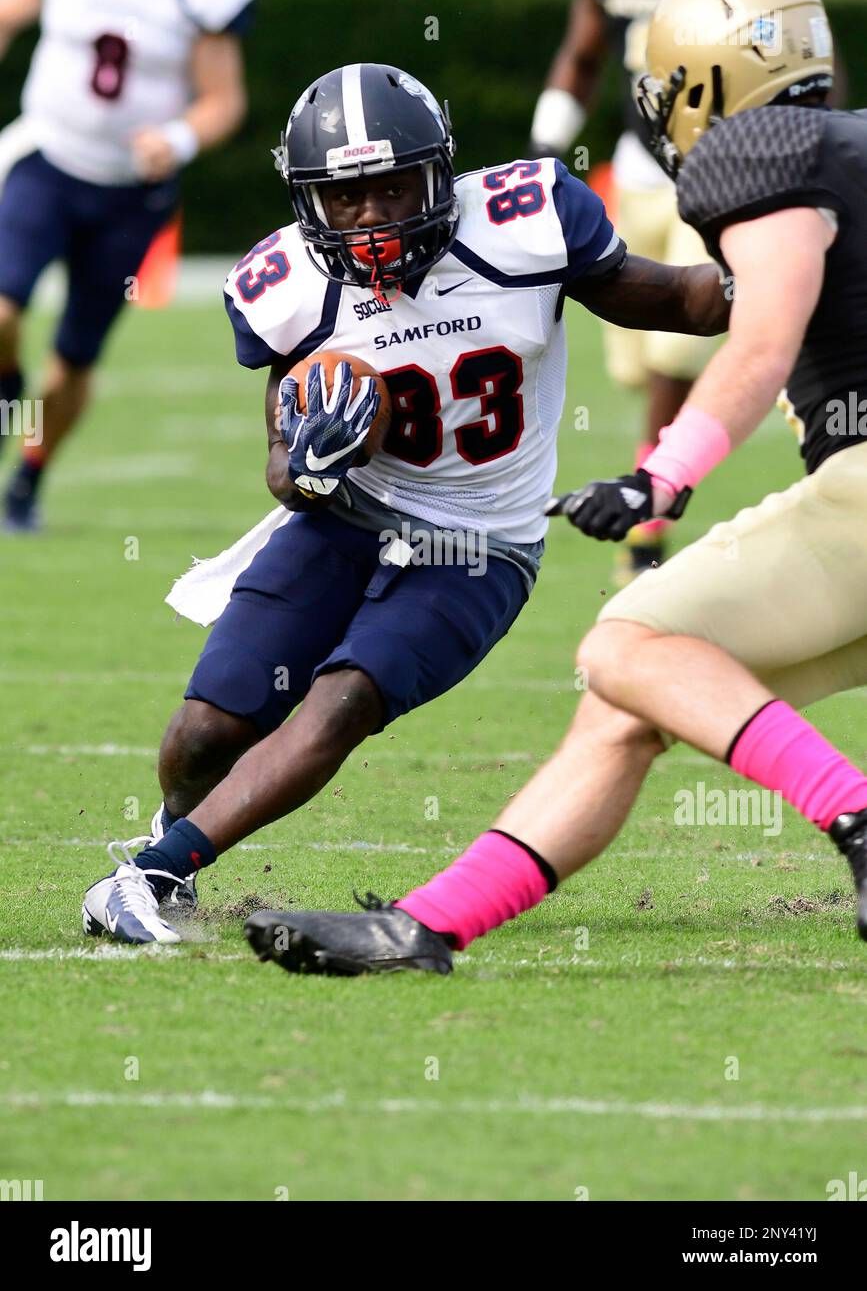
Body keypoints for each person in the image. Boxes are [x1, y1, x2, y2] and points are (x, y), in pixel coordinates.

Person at [249, 0, 867, 976]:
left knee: (627, 641)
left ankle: (854, 813)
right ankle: (426, 927)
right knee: (632, 706)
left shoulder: (758, 147)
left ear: (703, 80)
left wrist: (660, 477)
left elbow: (763, 335)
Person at [79, 61, 728, 945]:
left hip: (481, 541)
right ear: (310, 202)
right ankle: (172, 842)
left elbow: (681, 301)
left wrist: (785, 265)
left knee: (341, 701)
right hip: (347, 519)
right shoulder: (285, 283)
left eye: (392, 187)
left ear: (439, 171)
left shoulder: (523, 223)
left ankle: (147, 878)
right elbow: (281, 458)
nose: (373, 216)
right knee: (203, 730)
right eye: (345, 198)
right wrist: (305, 466)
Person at [529, 0, 807, 584]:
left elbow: (804, 72)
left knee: (672, 361)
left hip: (715, 178)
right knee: (633, 361)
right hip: (632, 175)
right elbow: (585, 49)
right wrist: (541, 154)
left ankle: (647, 525)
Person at [0, 0, 260, 530]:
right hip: (45, 159)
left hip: (130, 194)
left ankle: (28, 482)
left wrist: (180, 138)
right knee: (2, 310)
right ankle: (9, 388)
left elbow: (223, 100)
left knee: (75, 356)